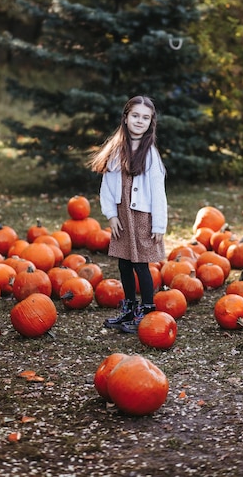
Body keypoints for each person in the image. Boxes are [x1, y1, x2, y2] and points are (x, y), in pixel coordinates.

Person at [89, 95, 167, 333]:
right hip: (122, 216)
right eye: (135, 116)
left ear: (151, 122)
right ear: (125, 117)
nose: (139, 121)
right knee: (124, 263)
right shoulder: (115, 150)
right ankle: (130, 308)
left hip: (142, 216)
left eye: (145, 117)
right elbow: (106, 186)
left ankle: (147, 310)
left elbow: (158, 191)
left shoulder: (150, 154)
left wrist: (159, 225)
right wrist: (111, 215)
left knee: (141, 264)